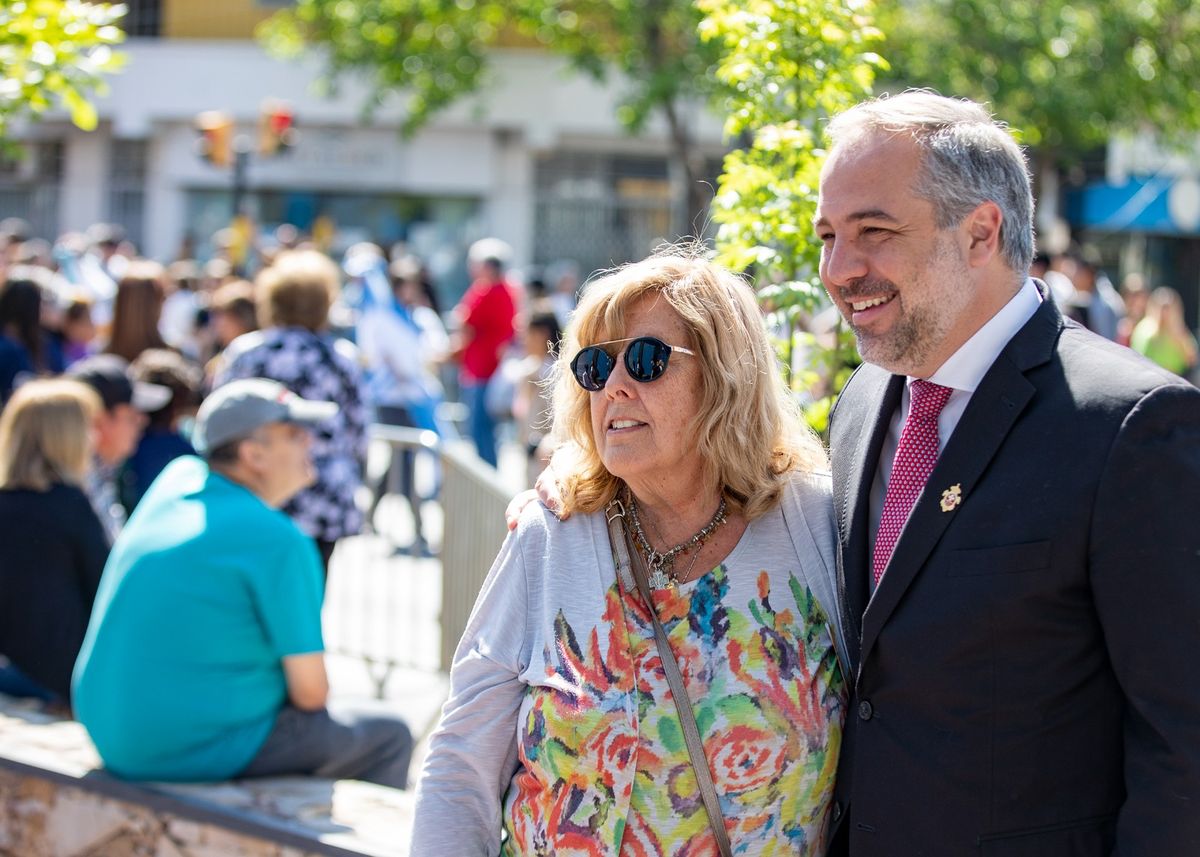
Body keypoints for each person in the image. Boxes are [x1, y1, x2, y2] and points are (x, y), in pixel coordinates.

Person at [813, 91, 1200, 854]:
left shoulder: (1132, 425)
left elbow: (1184, 744)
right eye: (827, 235)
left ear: (980, 232)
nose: (838, 269)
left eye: (873, 233)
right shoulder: (861, 400)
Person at [411, 249, 848, 855]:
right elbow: (461, 766)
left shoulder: (816, 526)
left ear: (726, 377)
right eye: (595, 367)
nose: (614, 386)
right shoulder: (553, 532)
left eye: (646, 360)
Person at [72, 378, 413, 788]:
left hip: (111, 734)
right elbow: (311, 694)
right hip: (187, 749)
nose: (311, 441)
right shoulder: (279, 541)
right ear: (253, 454)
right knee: (390, 735)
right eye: (293, 433)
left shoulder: (175, 481)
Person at [215, 250, 368, 572]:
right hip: (321, 498)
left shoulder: (247, 352)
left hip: (255, 489)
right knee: (309, 598)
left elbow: (220, 419)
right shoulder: (340, 359)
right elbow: (358, 433)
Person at [0, 379, 109, 706]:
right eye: (87, 427)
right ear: (66, 437)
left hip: (10, 672)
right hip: (60, 677)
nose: (94, 438)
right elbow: (105, 589)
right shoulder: (69, 504)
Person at [66, 354, 171, 541]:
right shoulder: (72, 485)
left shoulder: (103, 470)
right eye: (131, 415)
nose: (142, 421)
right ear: (98, 419)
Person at [452, 237, 517, 467]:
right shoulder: (511, 290)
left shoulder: (486, 290)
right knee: (489, 434)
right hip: (492, 372)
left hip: (481, 373)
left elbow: (463, 324)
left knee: (480, 434)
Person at [1129, 286, 1198, 378]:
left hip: (1177, 379)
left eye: (1169, 308)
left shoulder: (1179, 329)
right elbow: (1138, 358)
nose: (1165, 312)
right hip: (1152, 379)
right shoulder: (1145, 329)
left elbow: (1192, 360)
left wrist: (1179, 337)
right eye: (1162, 307)